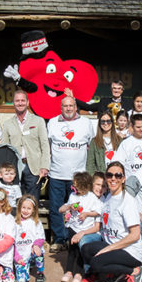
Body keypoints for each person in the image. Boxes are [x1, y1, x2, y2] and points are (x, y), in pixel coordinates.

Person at [83, 163, 142, 282]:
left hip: (130, 251)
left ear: (123, 179)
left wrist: (108, 249)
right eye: (109, 175)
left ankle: (134, 271)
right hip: (114, 245)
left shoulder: (127, 201)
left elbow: (135, 235)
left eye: (118, 175)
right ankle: (114, 271)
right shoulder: (109, 197)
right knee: (86, 249)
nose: (113, 178)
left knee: (96, 264)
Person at [45, 95, 93, 250]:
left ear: (76, 107)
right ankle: (60, 240)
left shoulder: (86, 123)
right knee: (56, 209)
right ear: (61, 108)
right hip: (57, 175)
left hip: (79, 178)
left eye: (71, 105)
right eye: (65, 106)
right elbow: (47, 146)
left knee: (77, 209)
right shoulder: (52, 122)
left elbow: (91, 147)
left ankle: (74, 239)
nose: (68, 108)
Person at [0, 89, 50, 202]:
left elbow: (45, 145)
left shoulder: (38, 121)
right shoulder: (8, 124)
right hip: (15, 168)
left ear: (27, 103)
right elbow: (5, 148)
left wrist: (44, 166)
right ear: (13, 103)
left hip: (34, 167)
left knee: (32, 201)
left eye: (22, 100)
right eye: (17, 101)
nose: (20, 103)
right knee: (16, 200)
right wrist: (5, 169)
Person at [59, 171, 102, 282]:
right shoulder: (73, 196)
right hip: (73, 226)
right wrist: (70, 207)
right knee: (72, 250)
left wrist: (87, 214)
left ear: (84, 187)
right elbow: (65, 208)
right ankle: (68, 271)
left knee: (80, 251)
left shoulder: (92, 197)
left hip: (85, 228)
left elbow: (98, 212)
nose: (74, 188)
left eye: (76, 186)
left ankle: (78, 272)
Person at [13, 195, 46, 282]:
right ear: (19, 208)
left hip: (32, 252)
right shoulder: (14, 223)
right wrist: (16, 256)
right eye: (23, 208)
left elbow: (40, 237)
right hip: (21, 256)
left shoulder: (36, 222)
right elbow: (12, 242)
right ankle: (24, 267)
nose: (26, 211)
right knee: (22, 281)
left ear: (33, 210)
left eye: (29, 208)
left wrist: (36, 245)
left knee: (39, 254)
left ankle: (40, 273)